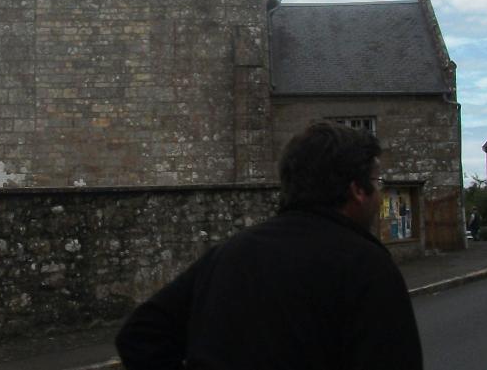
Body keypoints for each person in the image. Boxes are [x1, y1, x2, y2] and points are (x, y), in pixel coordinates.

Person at [115, 122, 423, 370]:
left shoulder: (229, 253)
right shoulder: (367, 267)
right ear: (357, 189)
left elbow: (139, 335)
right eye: (377, 181)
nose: (380, 193)